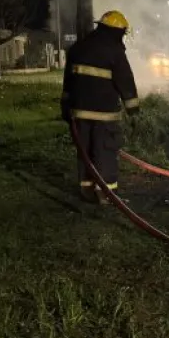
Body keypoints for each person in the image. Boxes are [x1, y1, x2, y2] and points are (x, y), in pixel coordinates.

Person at [61, 10, 139, 205]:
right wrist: (133, 109)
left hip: (79, 112)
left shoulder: (78, 48)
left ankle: (86, 189)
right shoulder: (115, 51)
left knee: (85, 151)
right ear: (118, 32)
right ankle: (106, 193)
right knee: (105, 150)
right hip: (105, 115)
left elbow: (68, 82)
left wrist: (65, 105)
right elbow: (126, 82)